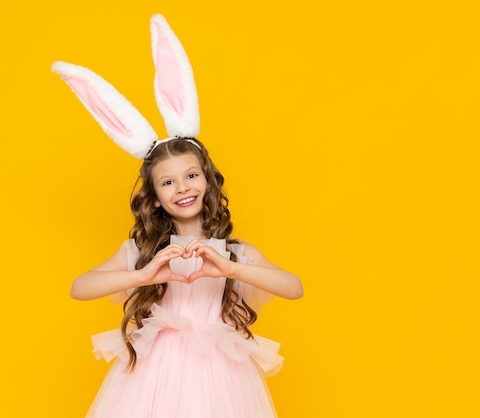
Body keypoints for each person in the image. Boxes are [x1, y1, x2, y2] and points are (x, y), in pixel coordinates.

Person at [52, 14, 303, 418]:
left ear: (208, 180)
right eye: (168, 183)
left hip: (222, 377)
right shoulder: (144, 250)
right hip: (153, 376)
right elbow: (80, 287)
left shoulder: (234, 253)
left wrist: (231, 270)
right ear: (153, 199)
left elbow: (293, 287)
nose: (183, 187)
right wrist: (144, 275)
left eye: (190, 175)